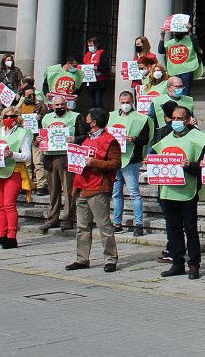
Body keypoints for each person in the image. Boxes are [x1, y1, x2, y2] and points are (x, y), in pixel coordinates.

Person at [152, 107, 205, 279]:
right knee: (173, 229)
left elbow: (204, 165)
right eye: (174, 118)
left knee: (190, 229)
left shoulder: (199, 139)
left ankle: (193, 264)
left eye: (180, 118)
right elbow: (157, 159)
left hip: (188, 190)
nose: (176, 121)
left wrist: (189, 165)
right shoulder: (164, 139)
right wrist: (151, 162)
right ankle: (177, 263)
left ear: (187, 120)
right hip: (168, 190)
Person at [64, 108, 122, 272]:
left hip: (98, 187)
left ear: (94, 122)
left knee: (104, 226)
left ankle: (110, 259)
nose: (85, 122)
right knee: (82, 226)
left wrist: (94, 163)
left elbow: (115, 163)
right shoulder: (86, 138)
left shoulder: (109, 140)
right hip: (82, 185)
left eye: (87, 119)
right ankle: (82, 259)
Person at [0, 106, 33, 249]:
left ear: (17, 118)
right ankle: (1, 234)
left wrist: (13, 154)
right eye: (6, 116)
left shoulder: (23, 132)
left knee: (9, 205)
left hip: (14, 170)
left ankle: (12, 237)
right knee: (0, 206)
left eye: (12, 116)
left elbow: (27, 156)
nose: (8, 119)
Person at [39, 94, 85, 234]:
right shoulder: (46, 118)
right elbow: (41, 137)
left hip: (67, 157)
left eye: (62, 105)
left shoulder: (76, 116)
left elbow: (84, 136)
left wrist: (74, 138)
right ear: (52, 106)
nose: (60, 107)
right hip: (50, 157)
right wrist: (40, 138)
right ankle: (52, 218)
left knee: (69, 190)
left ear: (67, 105)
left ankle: (68, 218)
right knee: (53, 191)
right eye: (57, 105)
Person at [109, 91, 152, 237]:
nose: (125, 104)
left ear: (132, 101)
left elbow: (146, 138)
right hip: (115, 159)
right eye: (122, 102)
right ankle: (117, 223)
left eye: (127, 102)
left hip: (131, 159)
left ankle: (138, 224)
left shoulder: (141, 118)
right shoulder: (112, 116)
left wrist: (134, 139)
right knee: (116, 193)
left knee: (134, 193)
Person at [18, 82, 49, 194]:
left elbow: (47, 118)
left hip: (37, 137)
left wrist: (40, 116)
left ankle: (41, 186)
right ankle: (27, 184)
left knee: (38, 162)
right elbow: (14, 116)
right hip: (25, 137)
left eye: (33, 95)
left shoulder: (40, 105)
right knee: (26, 163)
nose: (31, 97)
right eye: (28, 96)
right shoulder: (21, 106)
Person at [160, 20, 202, 97]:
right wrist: (162, 36)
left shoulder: (190, 39)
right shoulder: (170, 43)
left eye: (178, 31)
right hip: (174, 71)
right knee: (173, 93)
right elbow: (161, 50)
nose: (176, 33)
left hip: (187, 70)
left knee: (185, 94)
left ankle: (185, 108)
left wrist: (190, 31)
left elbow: (196, 46)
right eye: (175, 31)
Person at [82, 37, 111, 109]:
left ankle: (100, 117)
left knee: (98, 101)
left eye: (91, 45)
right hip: (90, 82)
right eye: (88, 46)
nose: (89, 47)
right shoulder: (88, 54)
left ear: (96, 45)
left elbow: (106, 67)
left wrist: (97, 68)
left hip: (99, 82)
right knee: (91, 102)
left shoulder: (102, 53)